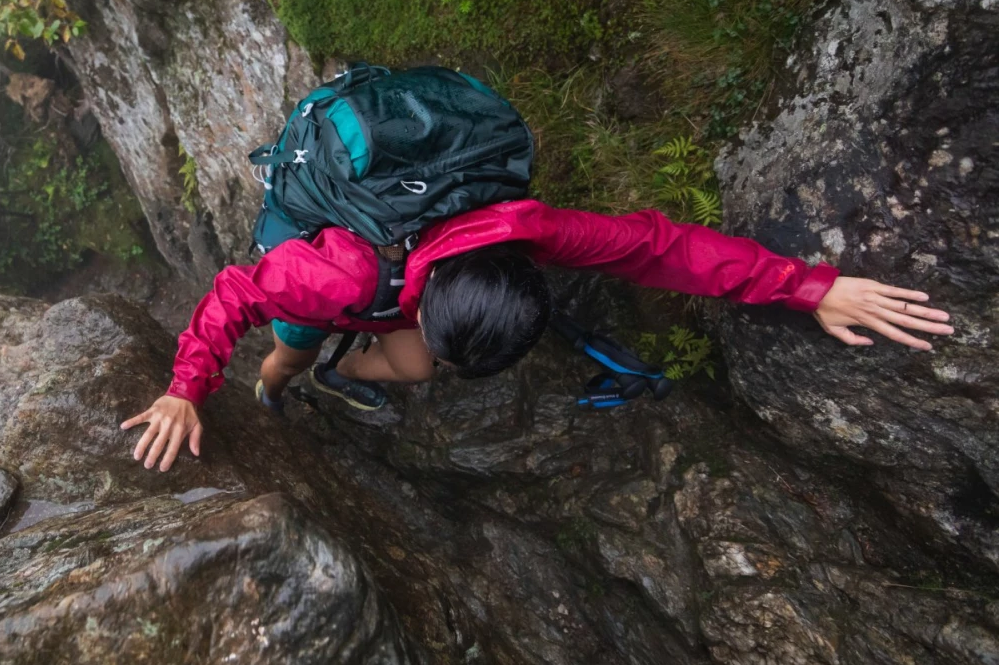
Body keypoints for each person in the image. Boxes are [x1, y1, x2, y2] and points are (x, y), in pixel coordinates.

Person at [122, 198, 953, 472]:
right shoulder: (326, 277)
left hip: (399, 290)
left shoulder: (530, 232)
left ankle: (345, 374)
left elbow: (662, 248)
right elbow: (233, 294)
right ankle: (282, 389)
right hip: (332, 277)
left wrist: (810, 286)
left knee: (415, 368)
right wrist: (185, 388)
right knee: (289, 349)